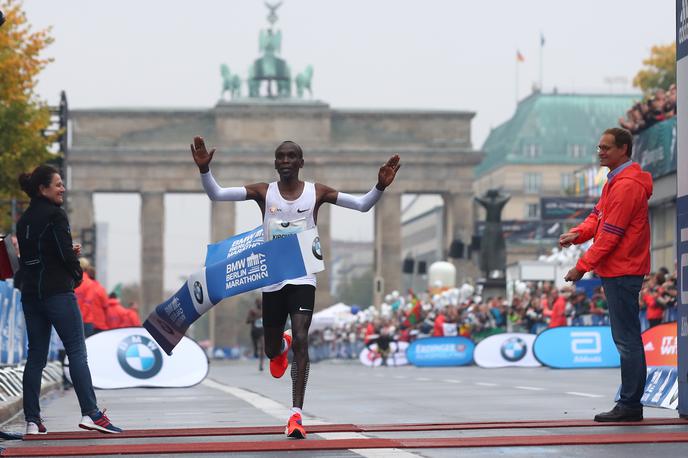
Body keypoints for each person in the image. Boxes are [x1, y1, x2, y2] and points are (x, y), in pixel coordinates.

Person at [192, 136, 400, 439]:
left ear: (301, 163)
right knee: (271, 348)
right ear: (276, 163)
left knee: (302, 337)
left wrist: (379, 186)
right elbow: (218, 194)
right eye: (281, 157)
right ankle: (281, 346)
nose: (286, 161)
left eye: (292, 156)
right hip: (273, 278)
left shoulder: (318, 193)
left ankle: (296, 416)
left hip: (303, 276)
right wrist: (204, 171)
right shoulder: (265, 192)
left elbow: (362, 205)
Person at [15, 165, 122, 435]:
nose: (62, 188)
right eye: (58, 184)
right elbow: (64, 256)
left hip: (31, 295)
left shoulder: (24, 220)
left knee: (35, 357)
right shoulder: (56, 215)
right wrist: (76, 273)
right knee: (76, 351)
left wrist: (64, 253)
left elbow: (37, 254)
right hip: (57, 292)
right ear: (43, 189)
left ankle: (32, 421)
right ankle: (91, 413)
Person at [560, 127, 652, 422]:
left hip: (623, 268)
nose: (600, 152)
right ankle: (629, 402)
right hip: (619, 269)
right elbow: (597, 217)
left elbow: (610, 235)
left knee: (627, 340)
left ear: (623, 149)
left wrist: (581, 267)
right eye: (599, 147)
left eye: (606, 148)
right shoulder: (616, 182)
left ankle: (629, 405)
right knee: (626, 338)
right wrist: (577, 234)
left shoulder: (626, 186)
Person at [246, 299, 265, 371]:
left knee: (262, 346)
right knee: (256, 347)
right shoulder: (252, 311)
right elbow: (247, 321)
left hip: (262, 331)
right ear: (256, 304)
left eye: (261, 303)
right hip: (254, 331)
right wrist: (253, 317)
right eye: (258, 303)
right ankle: (255, 351)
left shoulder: (265, 310)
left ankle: (261, 365)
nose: (260, 304)